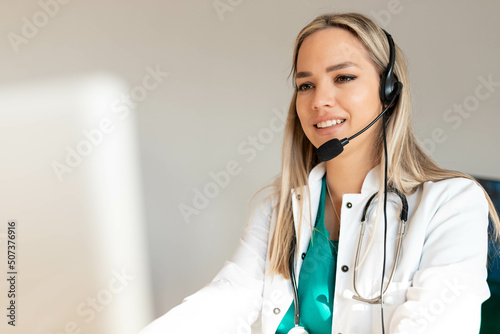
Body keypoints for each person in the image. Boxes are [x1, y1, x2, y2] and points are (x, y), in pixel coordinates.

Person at [139, 12, 500, 334]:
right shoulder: (278, 211)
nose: (319, 101)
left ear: (388, 92)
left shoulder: (451, 202)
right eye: (306, 85)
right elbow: (225, 300)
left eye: (343, 77)